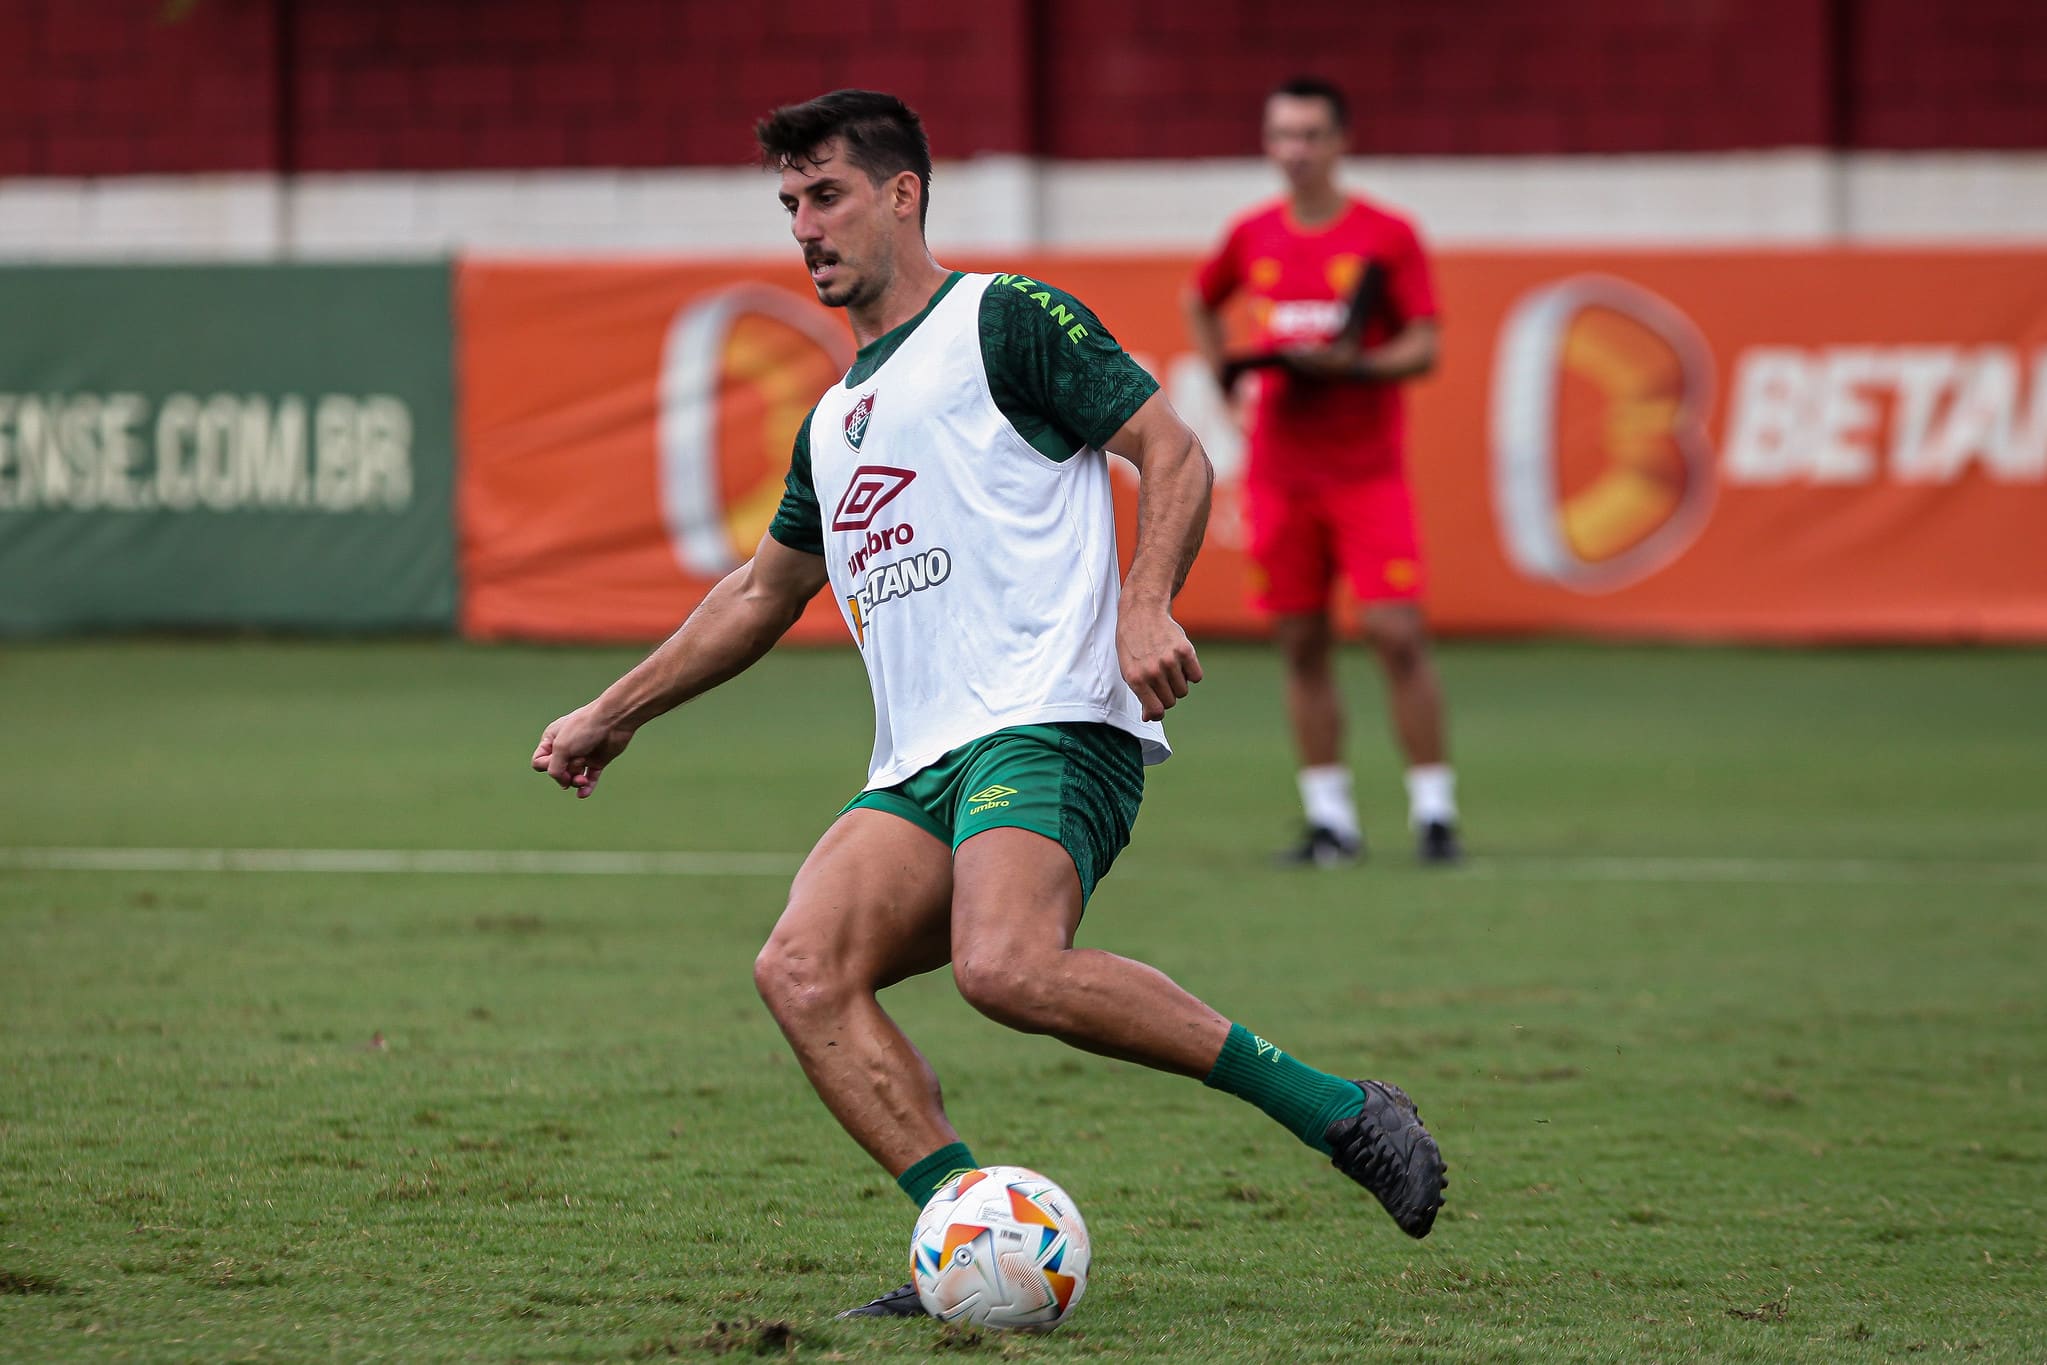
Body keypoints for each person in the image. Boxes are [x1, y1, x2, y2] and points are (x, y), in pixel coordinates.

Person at [532, 89, 1446, 1318]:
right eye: (790, 205)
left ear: (902, 193)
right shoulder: (835, 422)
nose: (805, 227)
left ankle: (1339, 1112)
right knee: (801, 969)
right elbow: (758, 597)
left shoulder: (1004, 321)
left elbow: (1172, 453)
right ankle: (965, 1230)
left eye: (829, 196)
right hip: (917, 760)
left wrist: (1143, 605)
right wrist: (614, 711)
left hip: (1051, 719)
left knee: (1006, 968)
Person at [1184, 76, 1463, 867]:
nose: (1294, 151)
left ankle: (1433, 811)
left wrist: (1353, 364)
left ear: (1340, 142)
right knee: (1300, 641)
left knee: (1395, 633)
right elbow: (1200, 301)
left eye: (1309, 135)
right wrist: (1226, 376)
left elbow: (1424, 344)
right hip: (1280, 470)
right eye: (1281, 135)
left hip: (1366, 471)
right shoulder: (1252, 234)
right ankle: (1329, 819)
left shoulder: (1385, 234)